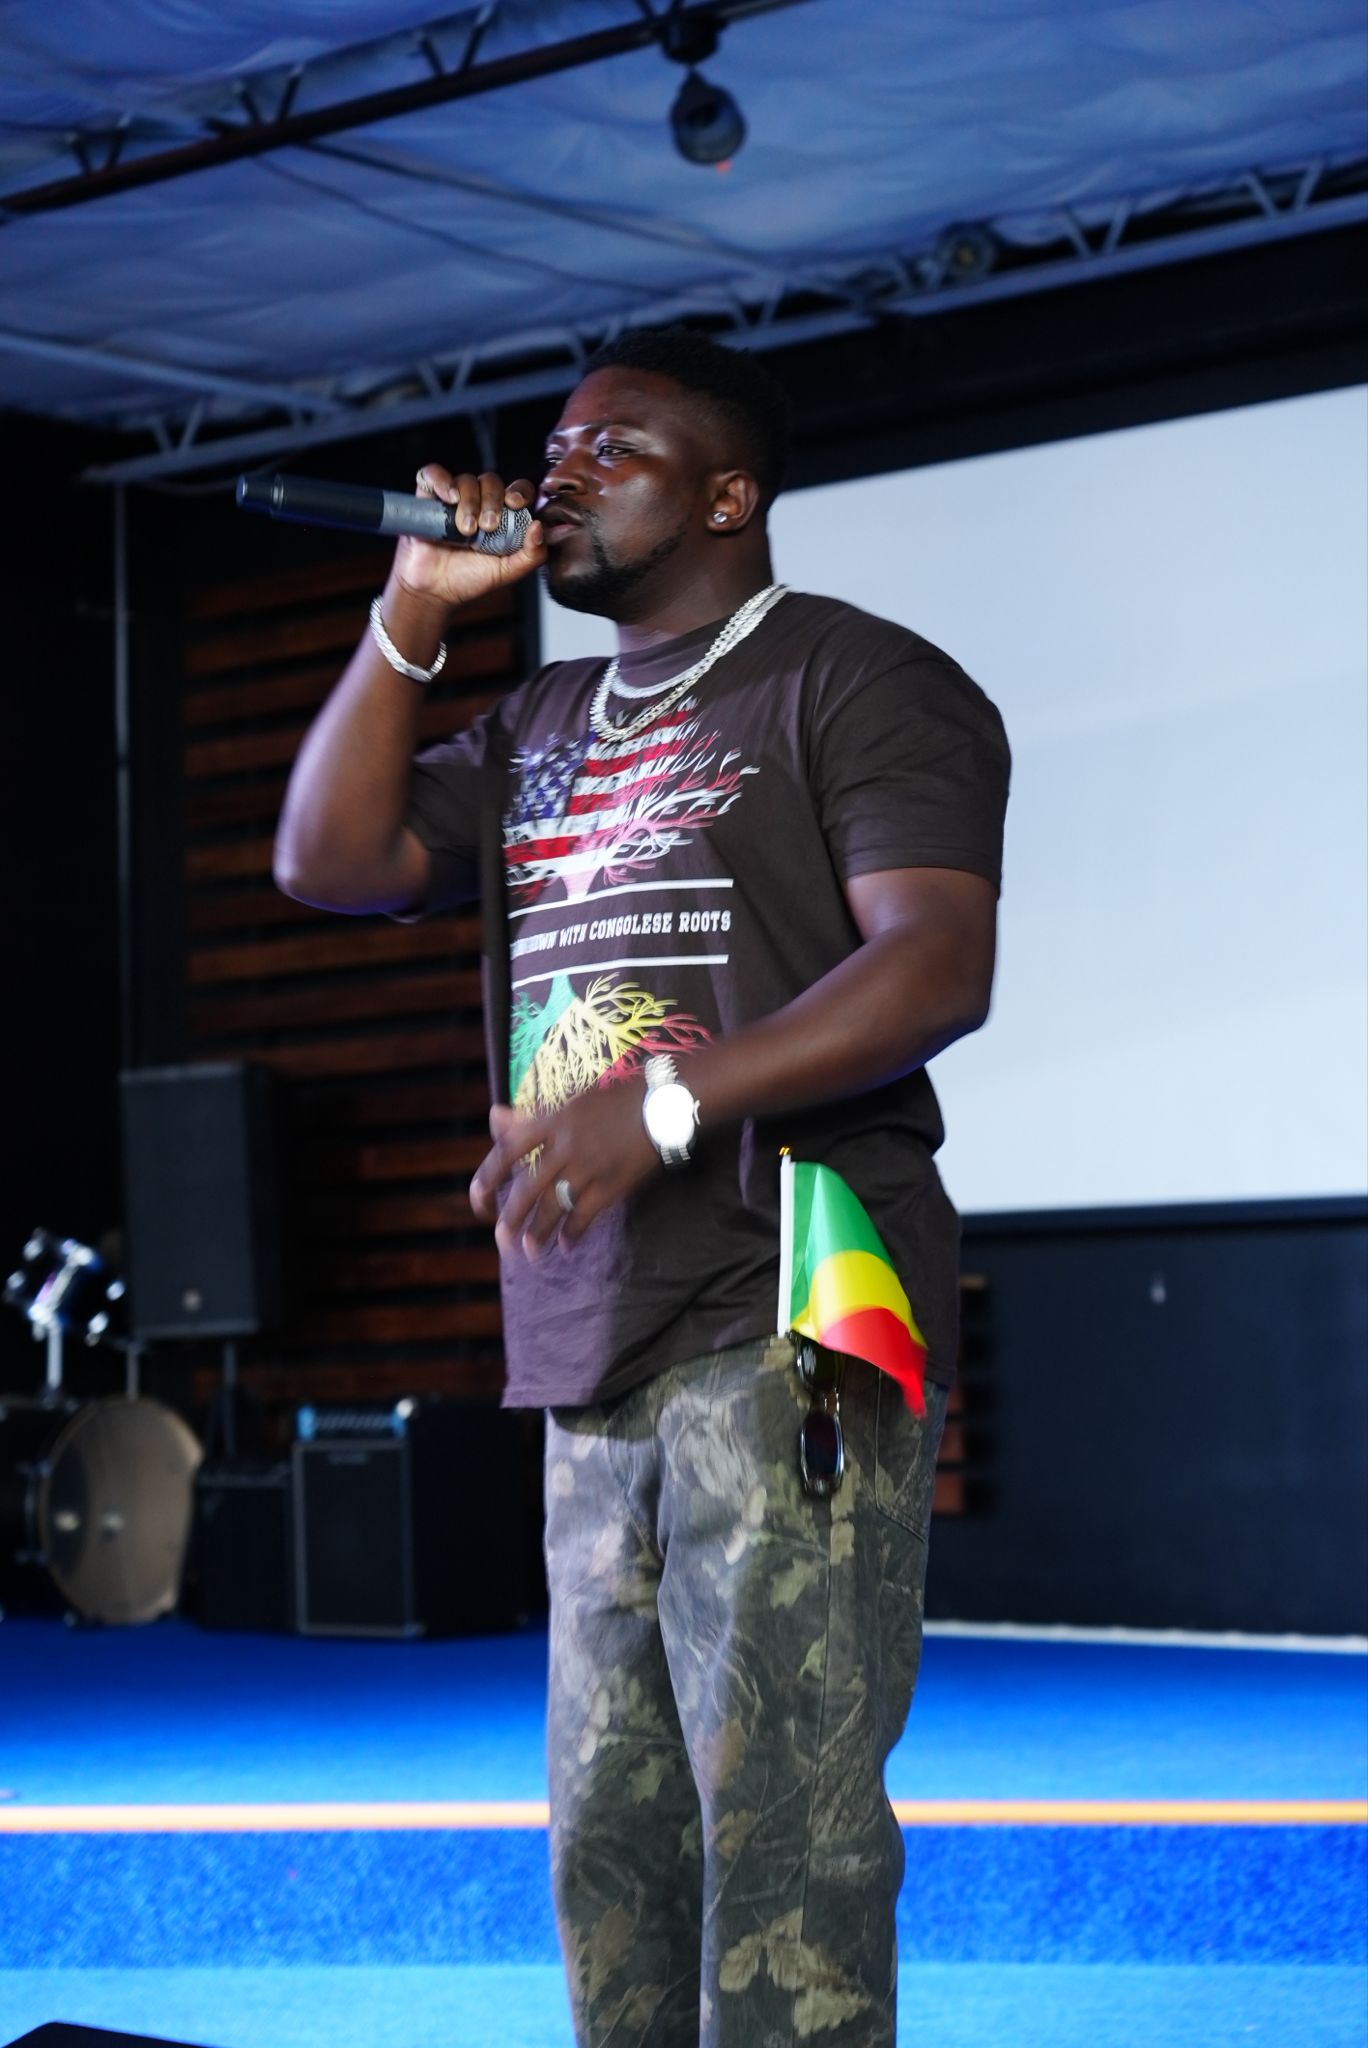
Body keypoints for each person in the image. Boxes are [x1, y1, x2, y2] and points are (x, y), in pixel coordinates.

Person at [274, 326, 1010, 2047]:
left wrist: (664, 1100)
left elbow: (935, 968)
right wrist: (413, 617)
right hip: (588, 1326)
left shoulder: (856, 678)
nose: (560, 473)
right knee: (612, 1835)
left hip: (796, 1295)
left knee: (787, 1830)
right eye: (554, 445)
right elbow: (327, 858)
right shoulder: (534, 720)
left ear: (731, 494)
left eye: (615, 448)